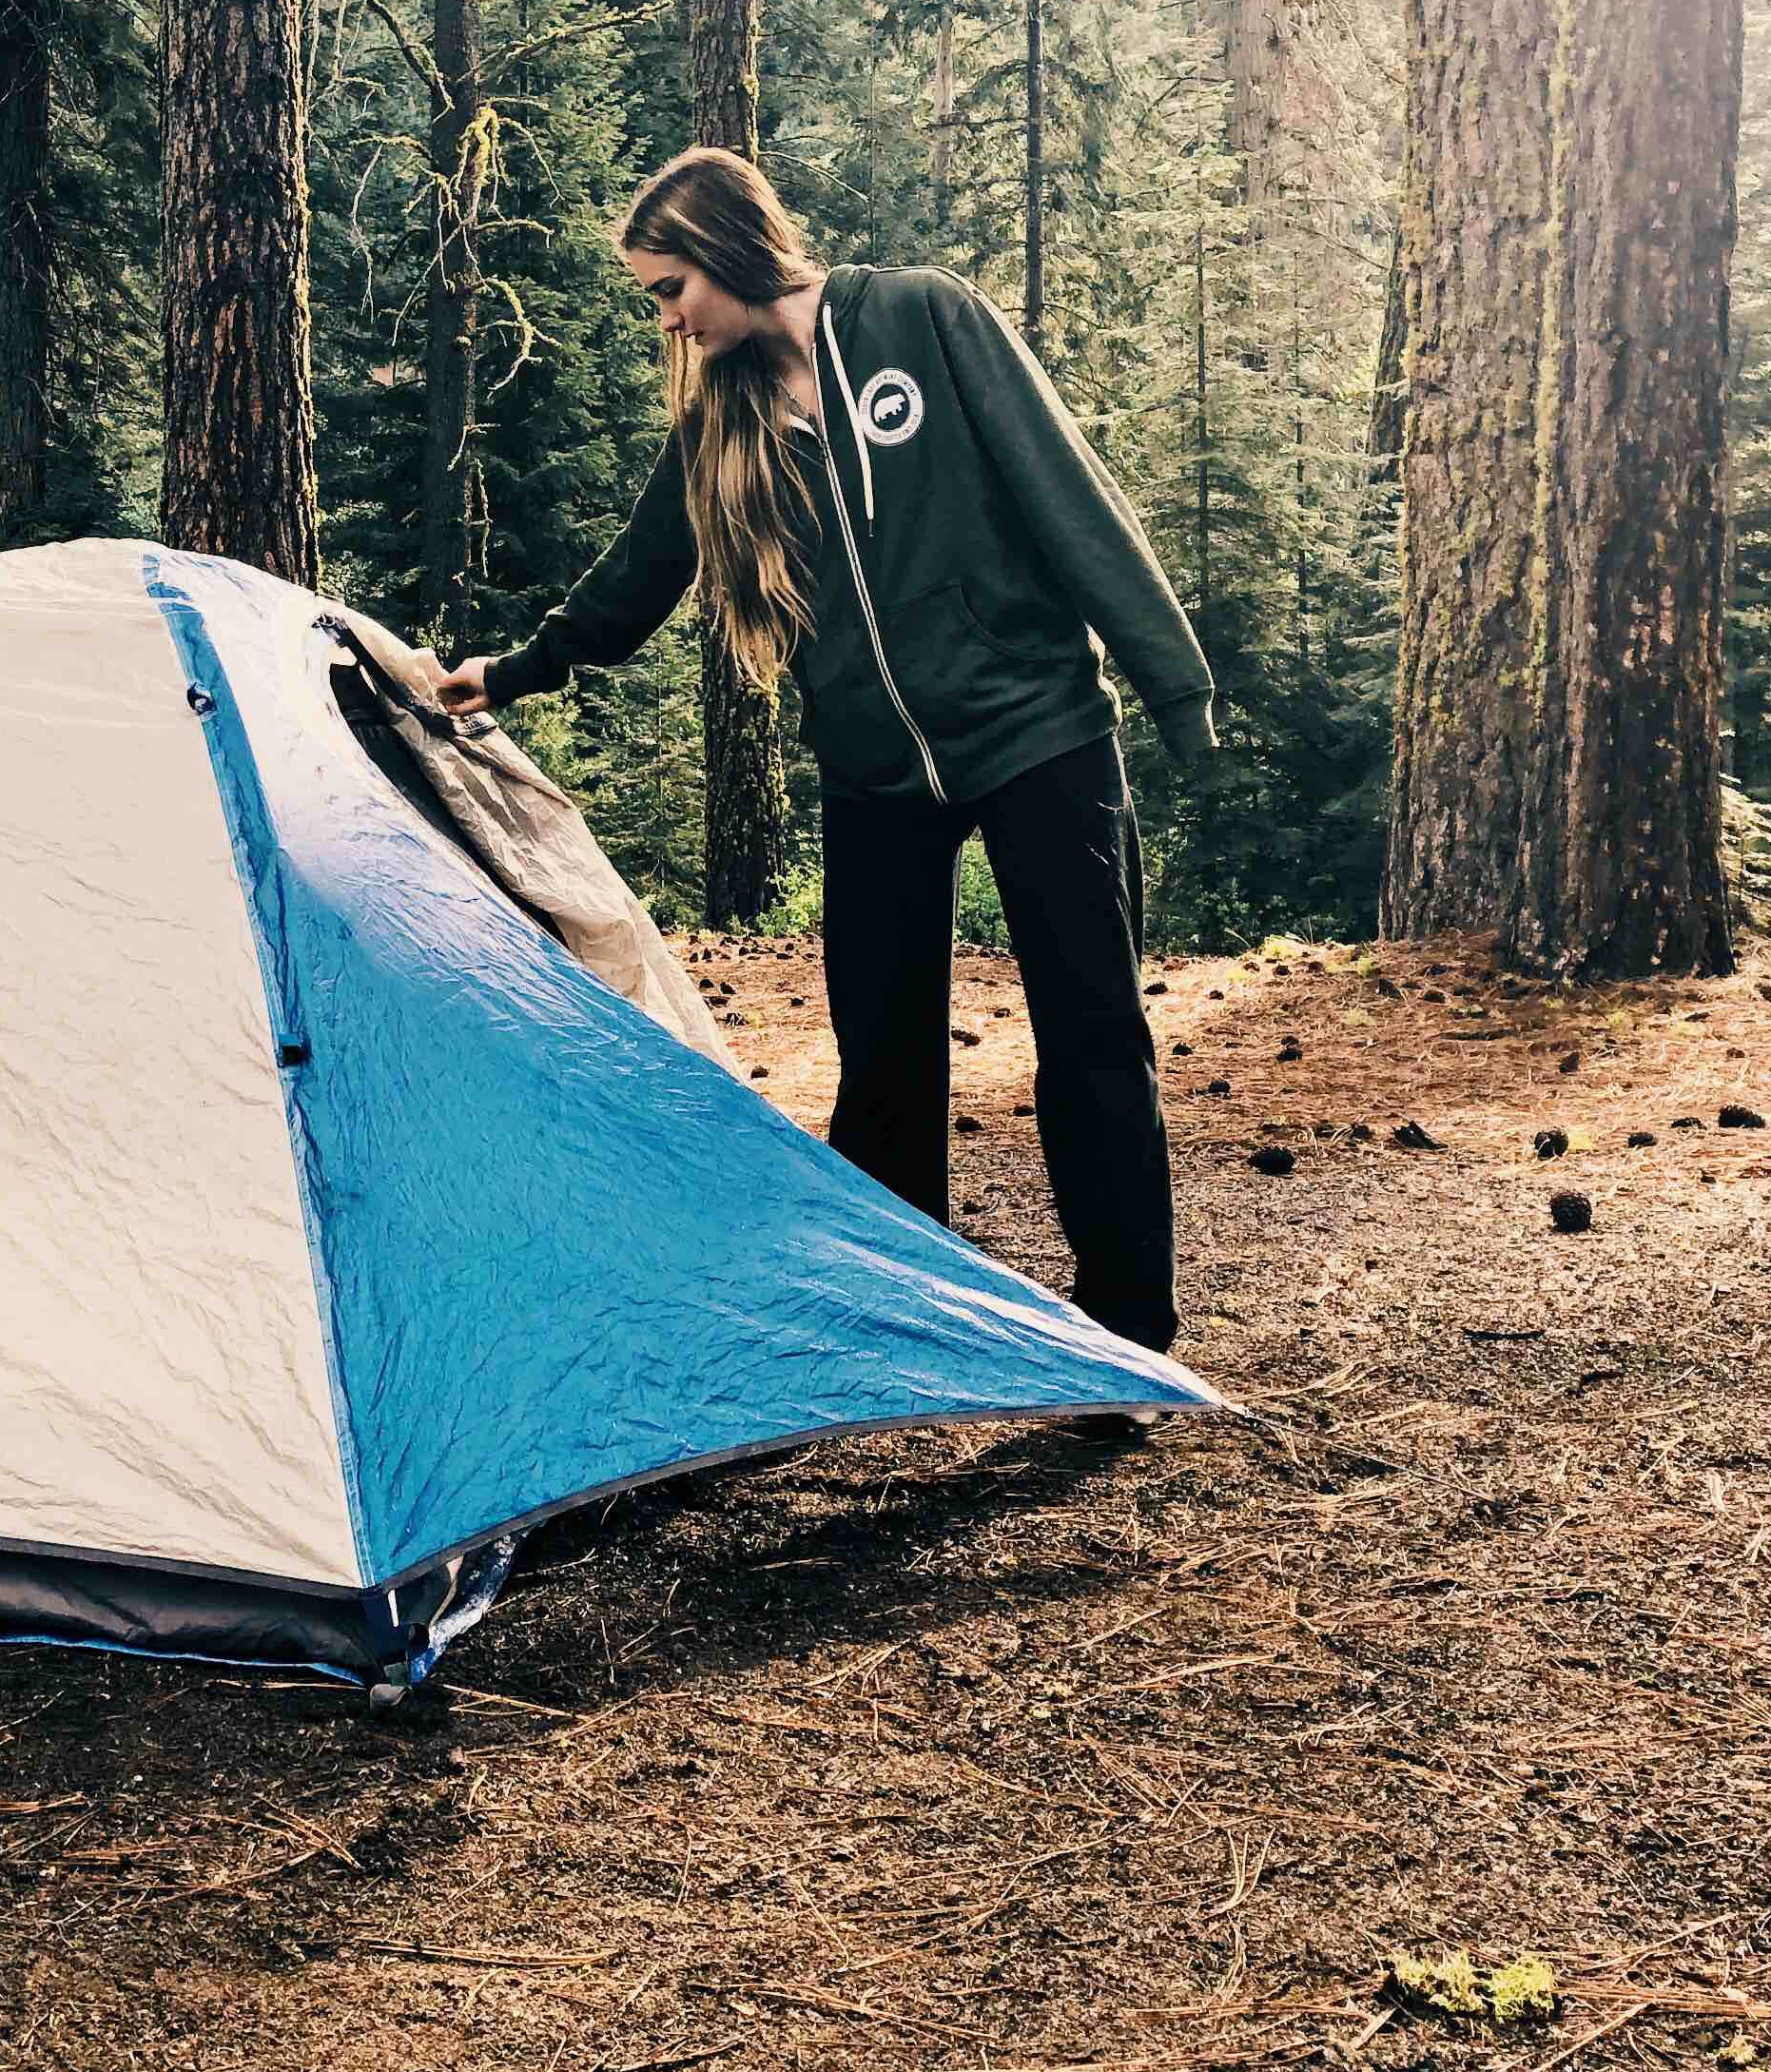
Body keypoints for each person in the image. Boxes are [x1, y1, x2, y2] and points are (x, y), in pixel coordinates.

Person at [438, 147, 1213, 1359]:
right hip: (873, 771)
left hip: (1035, 730)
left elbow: (1065, 487)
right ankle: (905, 1314)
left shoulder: (922, 316)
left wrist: (1174, 680)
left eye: (670, 286)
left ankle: (1132, 1325)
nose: (672, 321)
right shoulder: (725, 422)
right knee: (884, 1056)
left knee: (1090, 1029)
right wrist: (512, 672)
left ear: (730, 248)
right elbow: (640, 576)